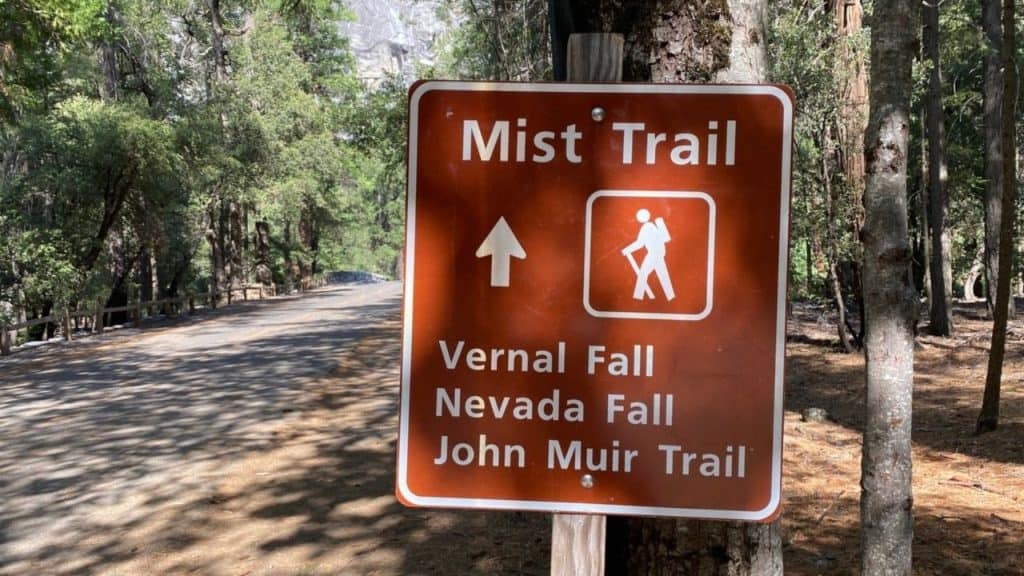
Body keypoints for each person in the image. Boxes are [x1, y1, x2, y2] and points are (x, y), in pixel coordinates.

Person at [621, 209, 675, 301]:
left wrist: (626, 250)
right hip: (660, 254)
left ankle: (638, 297)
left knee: (643, 273)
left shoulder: (646, 228)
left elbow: (640, 243)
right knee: (663, 275)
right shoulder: (654, 226)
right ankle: (670, 297)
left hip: (653, 255)